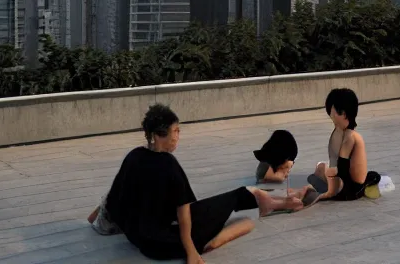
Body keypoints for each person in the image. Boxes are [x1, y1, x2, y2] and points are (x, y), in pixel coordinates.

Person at [87, 104, 303, 263]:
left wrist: (96, 217)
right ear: (157, 136)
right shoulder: (169, 164)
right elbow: (184, 212)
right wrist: (191, 251)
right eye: (175, 131)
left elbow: (115, 194)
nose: (178, 137)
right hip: (168, 240)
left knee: (238, 206)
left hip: (144, 243)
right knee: (236, 198)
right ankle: (271, 202)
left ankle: (270, 201)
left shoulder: (133, 156)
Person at [306, 88, 380, 201]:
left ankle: (328, 191)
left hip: (352, 189)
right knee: (321, 166)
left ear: (343, 114)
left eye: (332, 111)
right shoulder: (339, 132)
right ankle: (325, 186)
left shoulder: (350, 136)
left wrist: (330, 180)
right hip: (344, 180)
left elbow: (342, 167)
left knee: (325, 170)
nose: (330, 114)